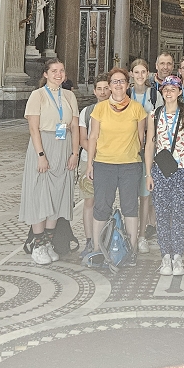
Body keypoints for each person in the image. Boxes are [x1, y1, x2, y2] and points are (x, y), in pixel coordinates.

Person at [86, 68, 147, 267]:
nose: (118, 85)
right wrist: (90, 163)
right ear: (110, 85)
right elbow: (93, 137)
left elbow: (141, 138)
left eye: (122, 81)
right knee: (101, 207)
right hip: (104, 164)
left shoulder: (137, 108)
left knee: (130, 207)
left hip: (130, 165)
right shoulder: (100, 109)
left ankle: (131, 251)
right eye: (114, 81)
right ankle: (97, 249)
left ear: (128, 85)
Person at [21, 59, 80, 265]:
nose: (58, 74)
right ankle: (37, 245)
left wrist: (75, 153)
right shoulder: (37, 95)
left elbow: (74, 126)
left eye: (61, 70)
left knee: (58, 196)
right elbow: (33, 128)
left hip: (63, 148)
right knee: (40, 196)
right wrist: (40, 155)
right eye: (54, 70)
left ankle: (47, 243)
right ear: (45, 74)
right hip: (44, 146)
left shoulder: (69, 96)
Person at [145, 76, 184, 275]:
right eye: (165, 89)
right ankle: (165, 256)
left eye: (173, 89)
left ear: (179, 92)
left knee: (180, 214)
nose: (169, 93)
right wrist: (148, 173)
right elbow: (150, 144)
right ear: (162, 92)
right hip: (160, 170)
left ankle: (177, 256)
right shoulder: (154, 115)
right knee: (162, 214)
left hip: (182, 170)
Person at [78, 74, 111, 255]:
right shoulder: (86, 112)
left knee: (104, 202)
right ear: (94, 91)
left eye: (106, 88)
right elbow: (83, 138)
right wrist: (94, 153)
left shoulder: (116, 109)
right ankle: (90, 240)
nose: (103, 92)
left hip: (109, 161)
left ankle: (103, 239)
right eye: (99, 89)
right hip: (88, 160)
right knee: (89, 201)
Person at [129, 59, 159, 253]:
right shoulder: (126, 93)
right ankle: (130, 234)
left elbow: (162, 120)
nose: (140, 76)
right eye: (136, 72)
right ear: (131, 74)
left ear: (148, 74)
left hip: (149, 149)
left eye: (143, 72)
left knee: (145, 194)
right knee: (129, 194)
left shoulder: (154, 95)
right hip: (128, 149)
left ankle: (142, 235)